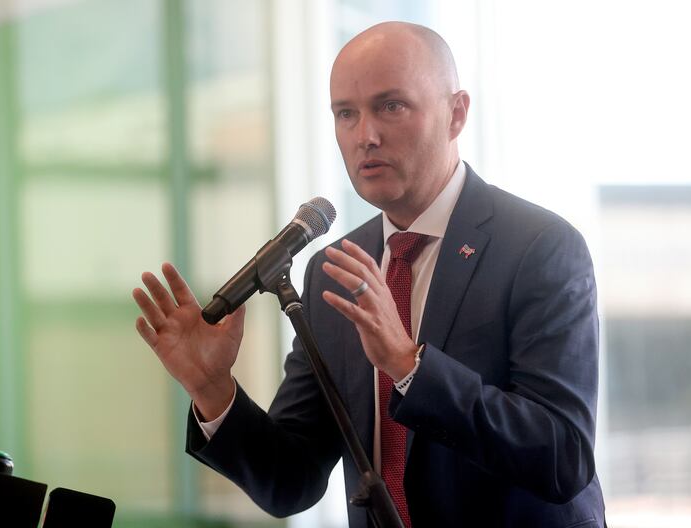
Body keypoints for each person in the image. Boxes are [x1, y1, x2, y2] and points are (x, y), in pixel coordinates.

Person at [132, 21, 606, 528]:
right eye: (346, 114)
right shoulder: (332, 270)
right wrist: (213, 391)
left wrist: (409, 366)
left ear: (456, 113)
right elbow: (292, 480)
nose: (366, 136)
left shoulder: (539, 247)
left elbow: (562, 457)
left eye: (391, 106)